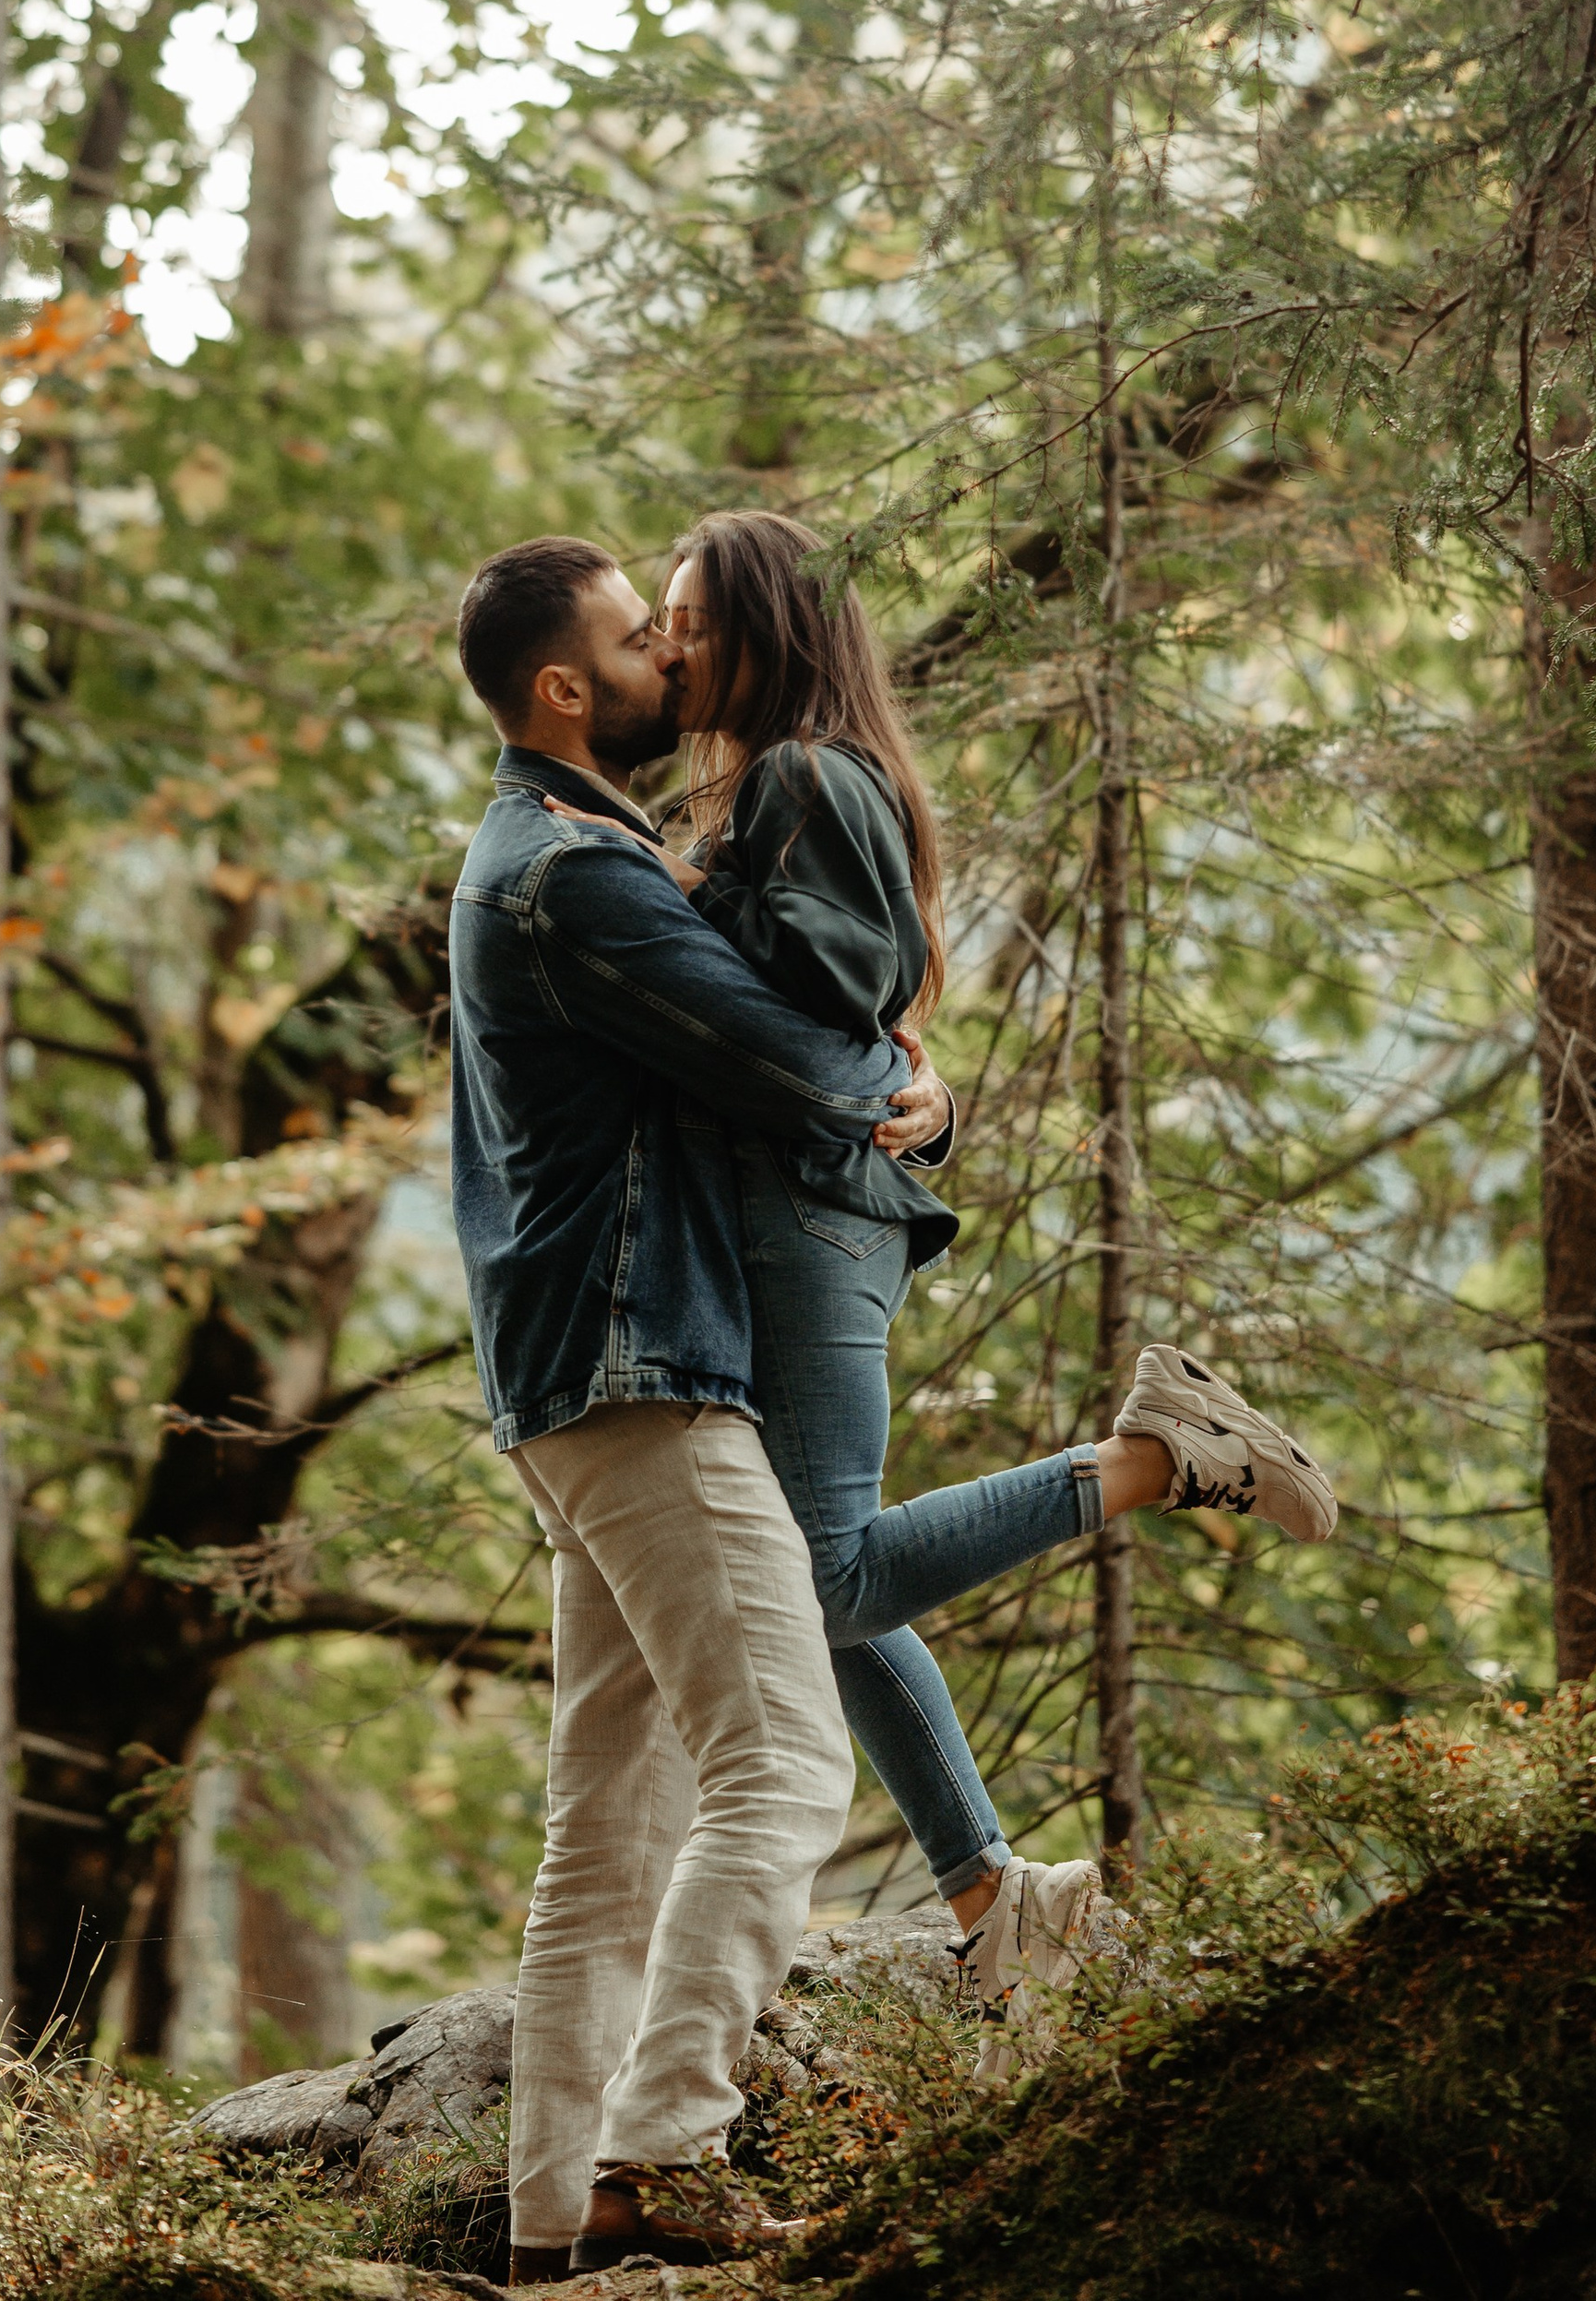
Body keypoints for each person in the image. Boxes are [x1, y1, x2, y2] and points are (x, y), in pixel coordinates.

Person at [552, 507, 1337, 2004]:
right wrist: (922, 1087)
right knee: (817, 1569)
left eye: (692, 619)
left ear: (772, 629)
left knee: (824, 1577)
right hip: (796, 1210)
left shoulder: (797, 776)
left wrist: (696, 928)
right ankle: (992, 1895)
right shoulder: (783, 785)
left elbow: (846, 995)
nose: (670, 647)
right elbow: (868, 1023)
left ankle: (1152, 1459)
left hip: (810, 1216)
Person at [445, 534, 960, 2283]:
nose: (671, 652)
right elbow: (781, 1053)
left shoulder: (564, 850)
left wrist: (888, 1075)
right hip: (639, 1366)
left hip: (575, 1378)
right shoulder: (572, 876)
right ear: (566, 692)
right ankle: (671, 2153)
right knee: (787, 1763)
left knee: (609, 1822)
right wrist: (907, 1080)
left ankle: (555, 2223)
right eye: (631, 638)